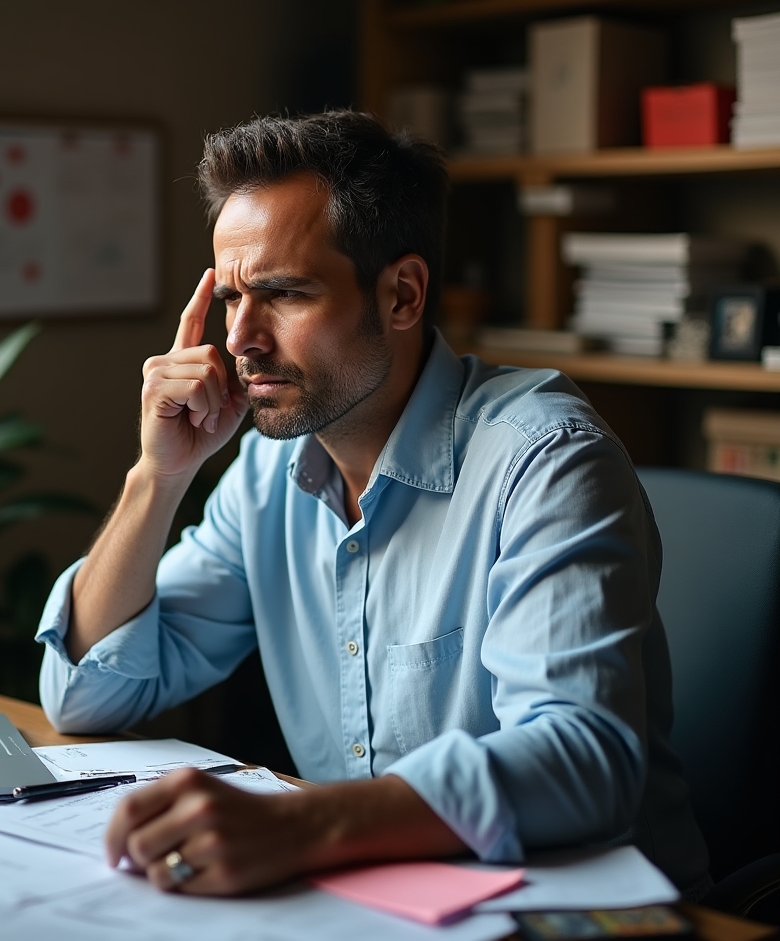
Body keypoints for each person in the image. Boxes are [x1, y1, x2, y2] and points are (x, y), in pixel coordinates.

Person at [36, 111, 709, 899]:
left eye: (284, 294)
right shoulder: (266, 472)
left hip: (577, 914)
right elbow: (88, 695)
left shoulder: (546, 459)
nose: (242, 340)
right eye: (230, 299)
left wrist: (299, 827)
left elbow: (582, 761)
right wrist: (159, 477)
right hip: (373, 904)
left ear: (402, 294)